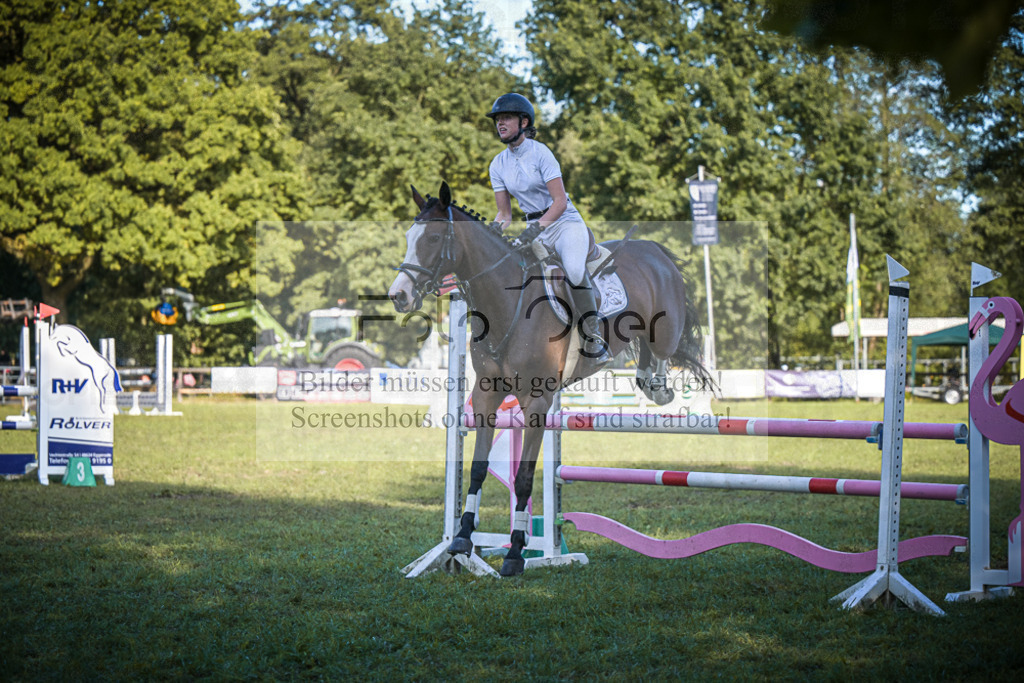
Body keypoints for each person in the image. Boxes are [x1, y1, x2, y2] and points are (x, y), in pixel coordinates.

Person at [485, 93, 612, 364]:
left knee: (575, 271)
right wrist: (493, 229)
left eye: (506, 118)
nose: (500, 124)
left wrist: (535, 229)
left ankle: (593, 336)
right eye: (497, 120)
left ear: (524, 121)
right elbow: (505, 213)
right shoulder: (497, 164)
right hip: (535, 228)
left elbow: (560, 201)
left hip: (565, 224)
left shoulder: (541, 152)